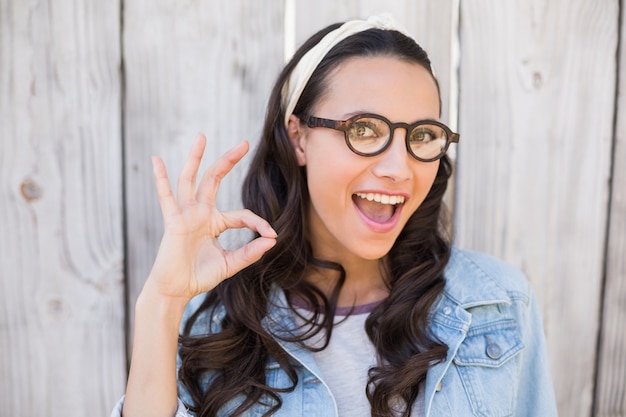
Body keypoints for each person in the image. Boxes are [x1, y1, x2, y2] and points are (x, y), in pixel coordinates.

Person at [113, 14, 558, 417]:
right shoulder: (209, 323)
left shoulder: (499, 306)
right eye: (363, 129)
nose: (398, 168)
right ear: (299, 138)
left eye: (422, 135)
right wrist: (161, 304)